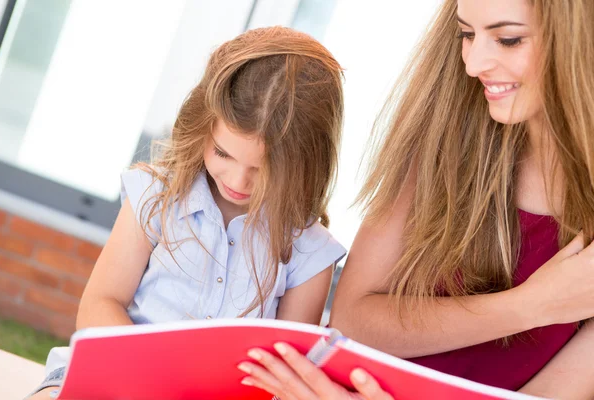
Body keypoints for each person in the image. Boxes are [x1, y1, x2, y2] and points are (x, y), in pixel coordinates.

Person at [242, 0, 594, 399]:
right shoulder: (452, 134)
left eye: (508, 39)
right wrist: (530, 306)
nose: (474, 63)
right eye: (466, 34)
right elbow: (354, 321)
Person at [26, 26, 347, 399]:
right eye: (223, 154)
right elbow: (100, 304)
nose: (238, 180)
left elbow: (287, 374)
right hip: (113, 374)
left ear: (306, 164)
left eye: (263, 169)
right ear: (202, 128)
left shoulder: (309, 252)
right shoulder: (157, 195)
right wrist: (144, 381)